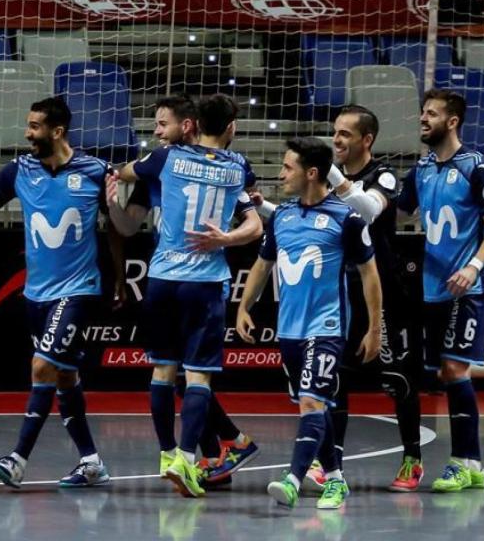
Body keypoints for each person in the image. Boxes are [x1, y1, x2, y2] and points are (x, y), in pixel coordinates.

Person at [0, 97, 120, 489]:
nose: (28, 133)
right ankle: (91, 462)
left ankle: (18, 458)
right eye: (28, 124)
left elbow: (121, 226)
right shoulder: (17, 171)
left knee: (42, 367)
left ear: (57, 131)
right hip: (37, 294)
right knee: (65, 377)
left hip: (78, 290)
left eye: (35, 126)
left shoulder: (94, 171)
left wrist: (121, 276)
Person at [248, 105, 425, 492]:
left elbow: (363, 210)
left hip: (381, 292)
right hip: (338, 294)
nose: (337, 139)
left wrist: (326, 167)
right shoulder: (322, 182)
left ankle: (412, 456)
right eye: (334, 133)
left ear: (367, 140)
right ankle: (331, 465)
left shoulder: (384, 176)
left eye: (345, 134)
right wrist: (262, 206)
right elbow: (310, 217)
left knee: (398, 380)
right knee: (331, 382)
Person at [109, 94, 263, 497]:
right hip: (207, 282)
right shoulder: (239, 167)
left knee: (162, 371)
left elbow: (124, 173)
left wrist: (118, 179)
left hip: (162, 278)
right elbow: (255, 221)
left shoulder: (165, 159)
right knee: (197, 376)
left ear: (192, 124)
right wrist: (226, 238)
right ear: (231, 127)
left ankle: (166, 455)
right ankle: (186, 458)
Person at [237, 137, 382, 509]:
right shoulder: (283, 215)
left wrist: (374, 328)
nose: (281, 173)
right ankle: (336, 480)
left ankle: (292, 480)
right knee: (317, 405)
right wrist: (243, 306)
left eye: (288, 167)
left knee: (310, 402)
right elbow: (262, 264)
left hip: (327, 327)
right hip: (290, 331)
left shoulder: (346, 219)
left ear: (311, 173)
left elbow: (369, 275)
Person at [396, 89, 484, 493]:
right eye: (422, 112)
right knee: (443, 372)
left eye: (432, 114)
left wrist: (473, 268)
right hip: (432, 286)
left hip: (469, 286)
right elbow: (397, 210)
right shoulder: (422, 168)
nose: (423, 119)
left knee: (456, 369)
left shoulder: (478, 168)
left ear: (452, 121)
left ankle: (460, 462)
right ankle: (474, 463)